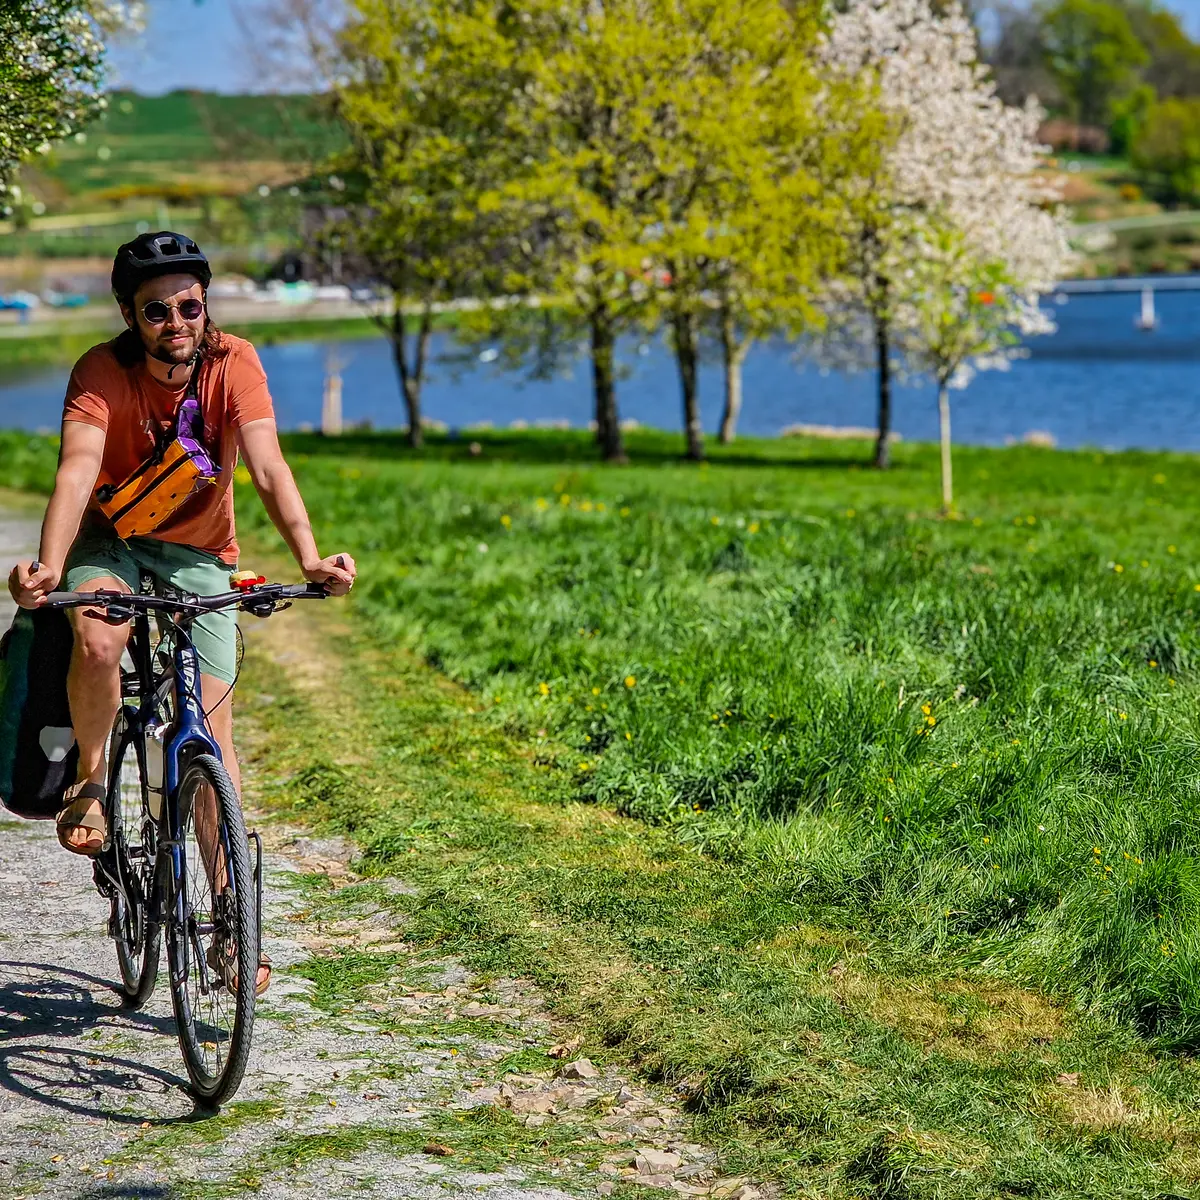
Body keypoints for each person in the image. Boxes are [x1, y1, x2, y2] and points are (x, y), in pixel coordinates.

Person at [7, 231, 356, 993]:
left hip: (201, 555)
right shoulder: (101, 372)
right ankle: (93, 779)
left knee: (212, 740)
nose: (176, 321)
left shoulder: (237, 364)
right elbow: (75, 470)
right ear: (131, 317)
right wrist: (51, 568)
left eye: (189, 304)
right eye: (155, 309)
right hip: (112, 542)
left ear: (206, 305)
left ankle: (233, 923)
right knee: (99, 640)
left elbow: (267, 463)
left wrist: (309, 558)